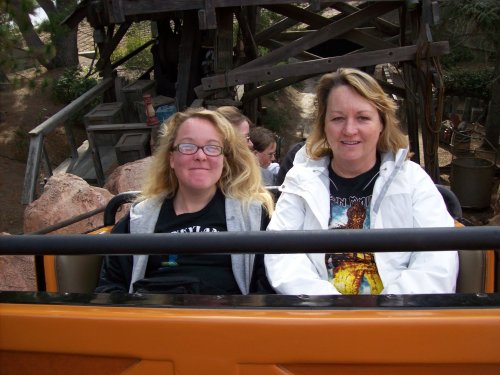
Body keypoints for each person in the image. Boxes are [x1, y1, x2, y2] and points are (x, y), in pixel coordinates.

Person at [265, 67, 458, 295]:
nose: (349, 130)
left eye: (363, 118)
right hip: (320, 318)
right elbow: (281, 255)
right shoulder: (300, 181)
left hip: (398, 320)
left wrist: (385, 313)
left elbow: (438, 259)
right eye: (337, 118)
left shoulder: (412, 180)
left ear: (382, 124)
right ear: (324, 126)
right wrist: (331, 309)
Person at [96, 107, 275, 294]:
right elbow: (110, 289)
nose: (200, 156)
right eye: (187, 147)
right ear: (171, 158)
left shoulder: (252, 216)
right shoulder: (138, 220)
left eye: (212, 147)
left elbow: (266, 292)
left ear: (224, 160)